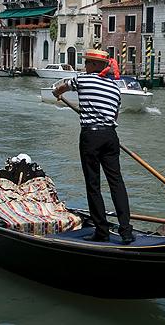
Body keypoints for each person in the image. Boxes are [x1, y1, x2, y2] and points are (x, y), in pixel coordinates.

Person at [53, 48, 134, 244]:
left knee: (93, 185)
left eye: (88, 62)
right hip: (110, 136)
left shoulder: (83, 79)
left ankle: (102, 231)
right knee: (117, 183)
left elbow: (63, 86)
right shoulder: (115, 88)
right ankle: (126, 231)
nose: (85, 65)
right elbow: (114, 116)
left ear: (96, 65)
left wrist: (56, 92)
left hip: (91, 136)